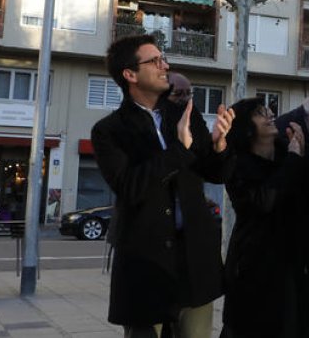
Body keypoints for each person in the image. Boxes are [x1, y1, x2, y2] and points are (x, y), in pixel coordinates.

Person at [92, 35, 235, 338]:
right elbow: (129, 187)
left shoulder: (184, 114)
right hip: (145, 264)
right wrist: (179, 150)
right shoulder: (109, 131)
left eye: (163, 58)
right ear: (130, 75)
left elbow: (214, 172)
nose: (165, 66)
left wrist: (220, 144)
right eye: (154, 61)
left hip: (194, 260)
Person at [221, 97, 309, 338]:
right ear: (246, 127)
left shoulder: (288, 151)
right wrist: (294, 158)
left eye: (270, 110)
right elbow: (265, 201)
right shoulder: (238, 164)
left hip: (294, 270)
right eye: (261, 113)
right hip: (255, 272)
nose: (271, 115)